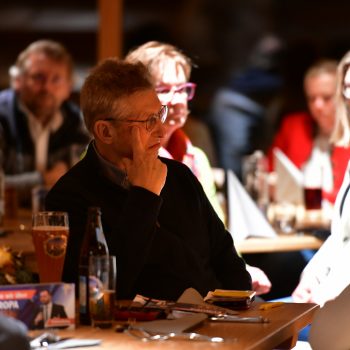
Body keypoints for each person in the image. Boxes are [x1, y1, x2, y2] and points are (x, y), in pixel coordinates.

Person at [45, 58, 252, 301]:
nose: (161, 131)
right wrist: (144, 196)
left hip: (218, 324)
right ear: (105, 131)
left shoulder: (179, 175)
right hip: (139, 334)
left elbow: (229, 263)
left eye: (159, 115)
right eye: (148, 121)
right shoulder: (68, 197)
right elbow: (101, 293)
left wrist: (235, 309)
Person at [125, 41, 271, 296]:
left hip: (204, 288)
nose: (178, 99)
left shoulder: (196, 156)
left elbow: (218, 235)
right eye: (164, 89)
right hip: (156, 294)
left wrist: (243, 270)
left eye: (183, 89)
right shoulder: (127, 157)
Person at [0, 39, 90, 207]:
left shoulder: (79, 123)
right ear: (17, 81)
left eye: (56, 79)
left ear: (68, 87)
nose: (47, 87)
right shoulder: (2, 116)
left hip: (57, 225)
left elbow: (85, 188)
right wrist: (43, 179)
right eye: (38, 77)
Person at [291, 51, 350, 307]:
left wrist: (330, 294)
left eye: (326, 97)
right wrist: (310, 278)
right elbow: (341, 236)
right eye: (347, 87)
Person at [268, 59, 350, 204]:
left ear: (344, 96)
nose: (317, 105)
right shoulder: (293, 125)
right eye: (312, 98)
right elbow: (270, 171)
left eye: (326, 97)